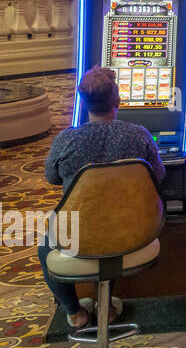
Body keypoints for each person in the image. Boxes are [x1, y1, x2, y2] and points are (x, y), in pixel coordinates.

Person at [41, 67, 166, 331]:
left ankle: (75, 313)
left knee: (44, 247)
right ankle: (106, 307)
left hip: (80, 231)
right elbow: (159, 175)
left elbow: (51, 177)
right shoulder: (139, 134)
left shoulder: (66, 140)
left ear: (83, 103)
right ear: (118, 101)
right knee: (116, 224)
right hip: (131, 226)